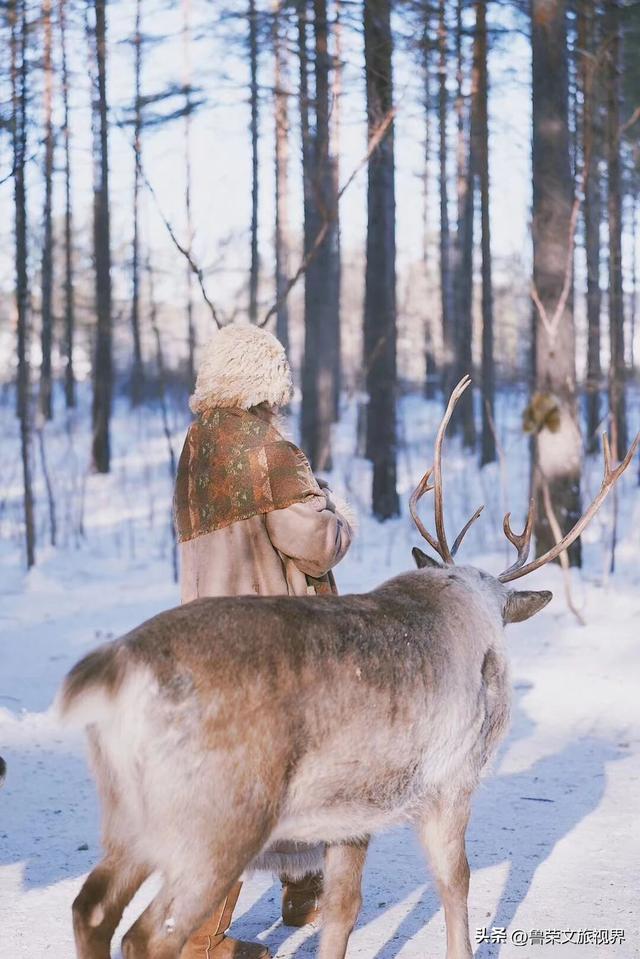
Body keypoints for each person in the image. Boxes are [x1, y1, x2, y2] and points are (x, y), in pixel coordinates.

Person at [173, 324, 354, 959]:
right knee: (262, 779)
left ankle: (302, 888)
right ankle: (201, 940)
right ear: (267, 378)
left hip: (206, 638)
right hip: (273, 647)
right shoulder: (270, 452)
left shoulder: (198, 445)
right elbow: (314, 544)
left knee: (273, 769)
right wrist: (331, 510)